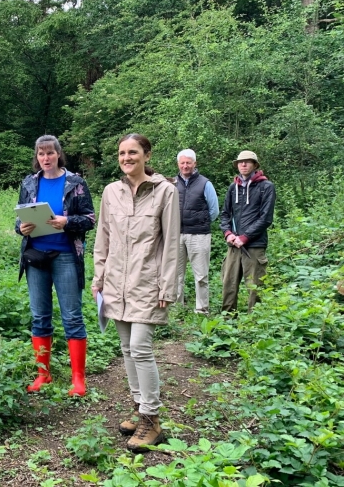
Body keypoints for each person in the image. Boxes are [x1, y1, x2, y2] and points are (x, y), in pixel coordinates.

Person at [92, 134, 179, 453]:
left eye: (133, 152)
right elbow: (103, 238)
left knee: (141, 347)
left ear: (146, 154)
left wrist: (167, 285)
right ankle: (140, 407)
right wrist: (98, 277)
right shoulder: (110, 192)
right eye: (122, 153)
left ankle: (152, 420)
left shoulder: (165, 192)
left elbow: (171, 242)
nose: (126, 157)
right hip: (116, 282)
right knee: (127, 349)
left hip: (148, 281)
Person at [16, 135, 96, 396]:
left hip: (65, 256)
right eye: (41, 154)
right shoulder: (29, 183)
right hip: (36, 256)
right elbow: (19, 220)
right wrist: (22, 228)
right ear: (36, 156)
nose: (45, 158)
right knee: (40, 317)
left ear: (58, 154)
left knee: (72, 316)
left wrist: (67, 222)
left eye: (50, 153)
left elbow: (89, 219)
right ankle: (43, 375)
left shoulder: (75, 183)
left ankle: (78, 380)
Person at [219, 150, 275, 314]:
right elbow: (225, 215)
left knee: (255, 288)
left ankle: (255, 326)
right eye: (240, 162)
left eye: (247, 162)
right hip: (233, 245)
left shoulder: (266, 187)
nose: (243, 164)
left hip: (255, 245)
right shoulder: (233, 188)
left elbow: (266, 218)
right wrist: (228, 233)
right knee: (228, 285)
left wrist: (245, 237)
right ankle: (227, 322)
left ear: (255, 165)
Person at [175, 149, 219, 315]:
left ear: (195, 164)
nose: (185, 166)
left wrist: (201, 222)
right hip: (177, 234)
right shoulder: (173, 183)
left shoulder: (205, 183)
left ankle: (202, 309)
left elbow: (214, 210)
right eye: (182, 163)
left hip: (199, 235)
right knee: (176, 275)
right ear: (178, 164)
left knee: (201, 275)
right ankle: (177, 308)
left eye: (188, 163)